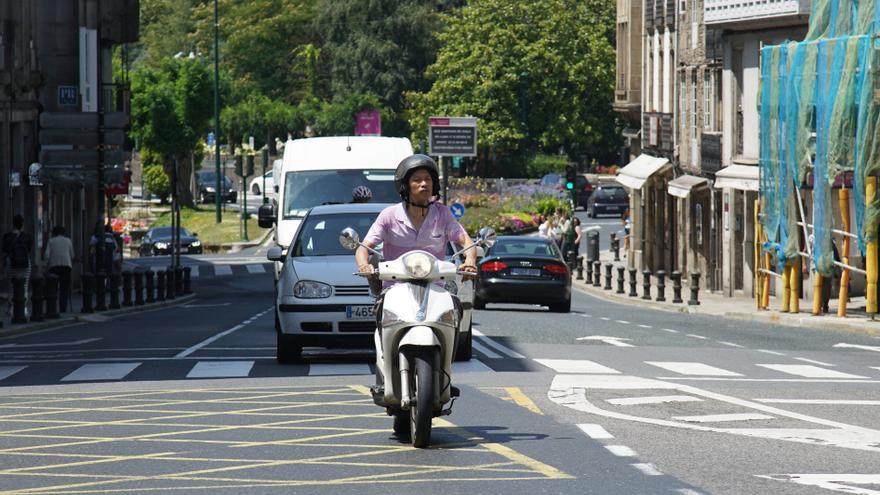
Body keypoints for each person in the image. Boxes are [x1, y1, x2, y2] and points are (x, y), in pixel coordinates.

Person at [355, 155, 477, 363]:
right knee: (380, 310)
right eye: (417, 180)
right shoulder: (389, 215)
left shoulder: (443, 214)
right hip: (395, 287)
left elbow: (465, 240)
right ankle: (385, 359)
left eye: (428, 179)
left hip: (436, 286)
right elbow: (364, 248)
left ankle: (447, 363)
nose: (424, 184)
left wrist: (470, 260)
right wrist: (364, 265)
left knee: (455, 309)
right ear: (405, 186)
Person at [2, 214, 33, 317]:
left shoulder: (7, 236)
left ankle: (11, 308)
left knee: (11, 286)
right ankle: (23, 309)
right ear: (22, 224)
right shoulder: (26, 236)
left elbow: (4, 250)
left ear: (13, 224)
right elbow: (29, 250)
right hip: (25, 264)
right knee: (24, 286)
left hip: (11, 263)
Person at [45, 226, 76, 313]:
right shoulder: (68, 240)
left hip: (54, 266)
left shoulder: (51, 241)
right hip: (66, 266)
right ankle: (63, 308)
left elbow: (46, 255)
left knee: (52, 288)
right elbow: (72, 255)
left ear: (54, 233)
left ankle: (52, 307)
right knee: (64, 288)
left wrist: (46, 265)